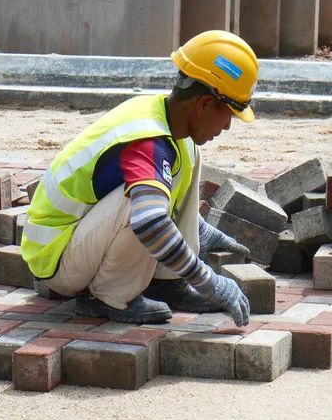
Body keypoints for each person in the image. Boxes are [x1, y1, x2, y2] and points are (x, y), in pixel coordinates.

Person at [21, 30, 257, 327]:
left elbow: (168, 194)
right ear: (204, 104)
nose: (228, 126)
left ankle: (166, 283)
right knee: (142, 204)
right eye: (230, 113)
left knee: (187, 157)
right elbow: (150, 221)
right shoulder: (147, 139)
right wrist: (209, 281)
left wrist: (199, 232)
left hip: (82, 238)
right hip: (57, 258)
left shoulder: (169, 121)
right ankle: (108, 295)